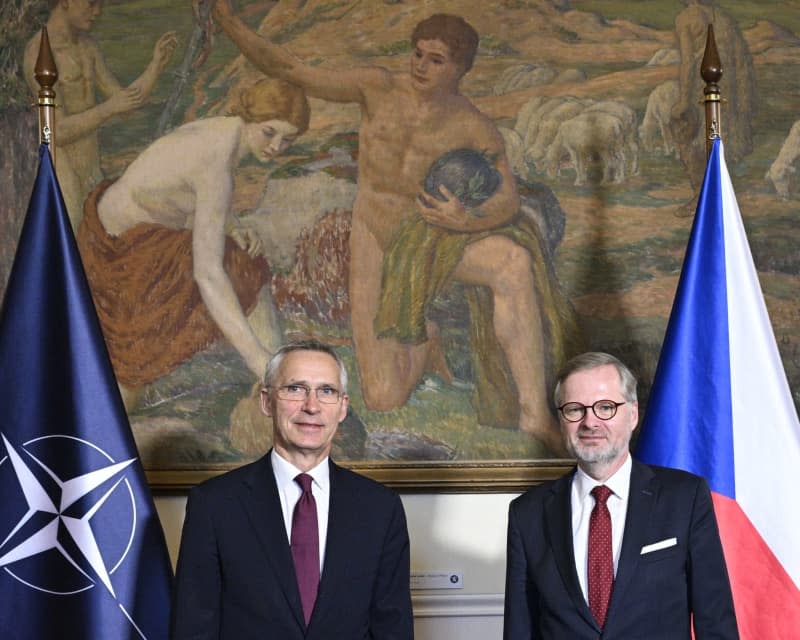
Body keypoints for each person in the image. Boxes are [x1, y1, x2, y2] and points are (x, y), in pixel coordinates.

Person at [212, 2, 580, 454]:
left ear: (460, 69)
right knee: (384, 398)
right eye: (418, 53)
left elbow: (506, 199)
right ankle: (427, 343)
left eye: (436, 60)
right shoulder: (376, 88)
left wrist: (468, 220)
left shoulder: (472, 125)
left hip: (432, 239)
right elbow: (291, 68)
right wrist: (227, 21)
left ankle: (533, 413)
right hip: (376, 240)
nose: (421, 65)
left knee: (514, 262)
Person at [76, 77, 309, 410]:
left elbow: (179, 191)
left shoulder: (219, 130)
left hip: (115, 232)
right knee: (243, 268)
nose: (275, 147)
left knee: (125, 390)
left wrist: (232, 224)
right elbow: (208, 274)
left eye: (287, 140)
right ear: (249, 115)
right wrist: (256, 359)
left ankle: (275, 372)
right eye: (269, 132)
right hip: (124, 254)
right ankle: (271, 368)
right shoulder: (216, 165)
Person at [171, 339, 414, 639]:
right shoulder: (214, 505)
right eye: (295, 389)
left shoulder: (381, 509)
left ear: (342, 408)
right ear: (266, 401)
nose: (311, 406)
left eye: (327, 391)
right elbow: (193, 629)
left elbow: (393, 628)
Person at [503, 352, 738, 639]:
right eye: (575, 409)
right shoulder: (527, 513)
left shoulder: (685, 499)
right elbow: (519, 630)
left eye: (605, 407)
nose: (590, 422)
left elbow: (716, 622)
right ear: (562, 420)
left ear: (633, 414)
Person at [23, 0, 177, 231]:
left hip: (92, 169)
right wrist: (109, 108)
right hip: (62, 175)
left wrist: (155, 66)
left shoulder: (87, 47)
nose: (97, 12)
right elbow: (57, 132)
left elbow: (125, 102)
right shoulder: (39, 53)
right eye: (92, 4)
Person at [670, 0, 755, 198]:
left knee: (690, 138)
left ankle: (701, 197)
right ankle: (717, 197)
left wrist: (683, 100)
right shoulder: (724, 18)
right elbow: (741, 61)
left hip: (702, 88)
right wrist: (742, 99)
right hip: (729, 87)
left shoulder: (687, 17)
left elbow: (689, 63)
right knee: (720, 139)